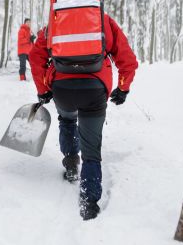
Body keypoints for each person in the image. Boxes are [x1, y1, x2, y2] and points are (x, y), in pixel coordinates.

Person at [28, 15, 138, 220]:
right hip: (94, 90)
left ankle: (71, 165)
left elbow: (36, 56)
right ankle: (89, 201)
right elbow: (127, 59)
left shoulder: (55, 22)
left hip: (62, 88)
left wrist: (43, 90)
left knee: (67, 120)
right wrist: (123, 88)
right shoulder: (104, 20)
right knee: (91, 148)